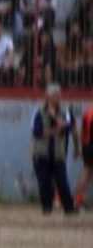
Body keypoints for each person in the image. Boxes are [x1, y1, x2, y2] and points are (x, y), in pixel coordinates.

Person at [30, 83, 78, 215]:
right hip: (41, 153)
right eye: (54, 95)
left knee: (62, 182)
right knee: (44, 182)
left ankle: (69, 208)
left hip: (58, 152)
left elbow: (70, 127)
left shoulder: (65, 111)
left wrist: (58, 125)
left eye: (58, 94)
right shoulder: (38, 112)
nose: (57, 97)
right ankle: (47, 208)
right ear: (47, 96)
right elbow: (37, 132)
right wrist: (58, 128)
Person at [76, 103, 93, 210]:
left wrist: (81, 147)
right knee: (87, 174)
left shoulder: (88, 112)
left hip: (87, 146)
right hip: (91, 144)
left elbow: (80, 131)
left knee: (86, 173)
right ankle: (78, 200)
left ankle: (78, 200)